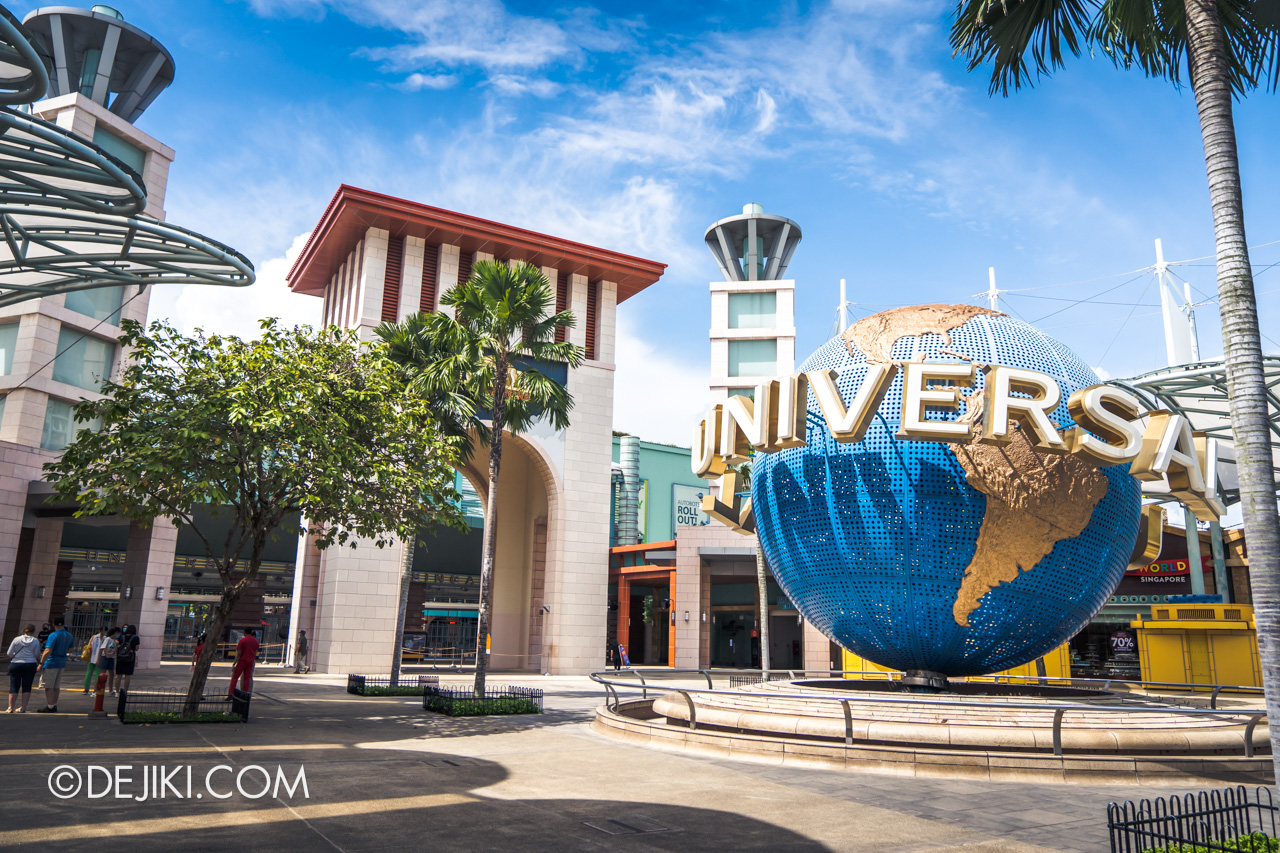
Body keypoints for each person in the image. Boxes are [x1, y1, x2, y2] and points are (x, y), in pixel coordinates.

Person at [35, 617, 74, 713]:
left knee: (49, 686)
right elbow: (70, 650)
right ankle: (54, 704)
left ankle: (50, 706)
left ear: (54, 624)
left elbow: (48, 650)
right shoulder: (69, 635)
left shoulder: (53, 635)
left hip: (52, 662)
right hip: (62, 662)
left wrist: (41, 663)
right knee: (56, 686)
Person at [6, 624, 40, 713]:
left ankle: (10, 707)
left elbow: (9, 653)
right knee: (27, 686)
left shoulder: (16, 639)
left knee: (14, 686)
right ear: (33, 631)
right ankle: (23, 708)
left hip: (16, 663)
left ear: (24, 630)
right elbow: (37, 654)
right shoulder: (35, 641)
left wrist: (16, 655)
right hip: (30, 664)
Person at [229, 628, 259, 696]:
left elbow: (239, 653)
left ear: (244, 633)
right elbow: (255, 652)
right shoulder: (255, 641)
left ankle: (231, 693)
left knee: (235, 677)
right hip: (250, 661)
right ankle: (244, 693)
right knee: (247, 678)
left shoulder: (242, 641)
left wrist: (235, 662)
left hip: (242, 660)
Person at [113, 625, 140, 694]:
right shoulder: (136, 638)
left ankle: (117, 692)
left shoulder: (121, 636)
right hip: (130, 658)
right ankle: (125, 692)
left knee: (118, 675)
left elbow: (117, 644)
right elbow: (137, 648)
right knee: (127, 675)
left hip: (120, 657)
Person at [83, 626, 107, 694]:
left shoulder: (94, 637)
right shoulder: (104, 638)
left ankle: (86, 689)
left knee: (89, 674)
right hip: (99, 659)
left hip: (92, 658)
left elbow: (89, 647)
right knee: (97, 674)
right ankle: (95, 690)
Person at [99, 627, 119, 695]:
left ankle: (111, 689)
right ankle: (101, 689)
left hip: (111, 657)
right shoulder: (107, 639)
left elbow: (115, 650)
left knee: (111, 674)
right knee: (103, 674)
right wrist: (98, 659)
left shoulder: (114, 640)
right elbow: (101, 649)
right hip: (105, 657)